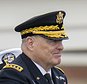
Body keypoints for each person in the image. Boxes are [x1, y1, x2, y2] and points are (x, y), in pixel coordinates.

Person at [0, 10, 69, 84]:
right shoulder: (12, 76)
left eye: (60, 41)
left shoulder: (59, 75)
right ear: (30, 43)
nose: (61, 47)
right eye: (53, 41)